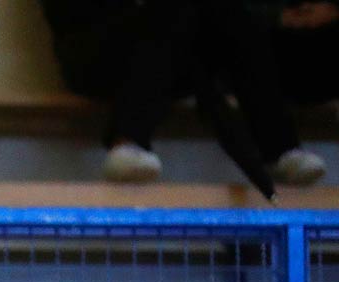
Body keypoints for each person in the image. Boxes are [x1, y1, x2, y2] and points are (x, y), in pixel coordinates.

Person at [41, 0, 325, 186]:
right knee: (175, 9)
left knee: (231, 13)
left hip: (166, 49)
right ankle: (128, 141)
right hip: (91, 50)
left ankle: (280, 149)